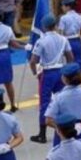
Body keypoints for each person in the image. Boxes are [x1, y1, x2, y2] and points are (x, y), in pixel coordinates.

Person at [28, 15, 73, 144]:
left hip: (47, 73)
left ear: (44, 27)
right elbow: (70, 57)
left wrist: (35, 73)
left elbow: (33, 61)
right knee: (63, 100)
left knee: (44, 103)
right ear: (55, 25)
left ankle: (42, 134)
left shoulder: (41, 41)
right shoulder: (63, 39)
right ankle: (66, 127)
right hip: (61, 72)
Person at [58, 0, 81, 70]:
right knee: (79, 62)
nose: (62, 8)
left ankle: (70, 79)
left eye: (63, 6)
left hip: (67, 41)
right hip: (77, 41)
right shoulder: (80, 17)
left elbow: (60, 33)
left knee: (68, 62)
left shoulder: (63, 18)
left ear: (68, 7)